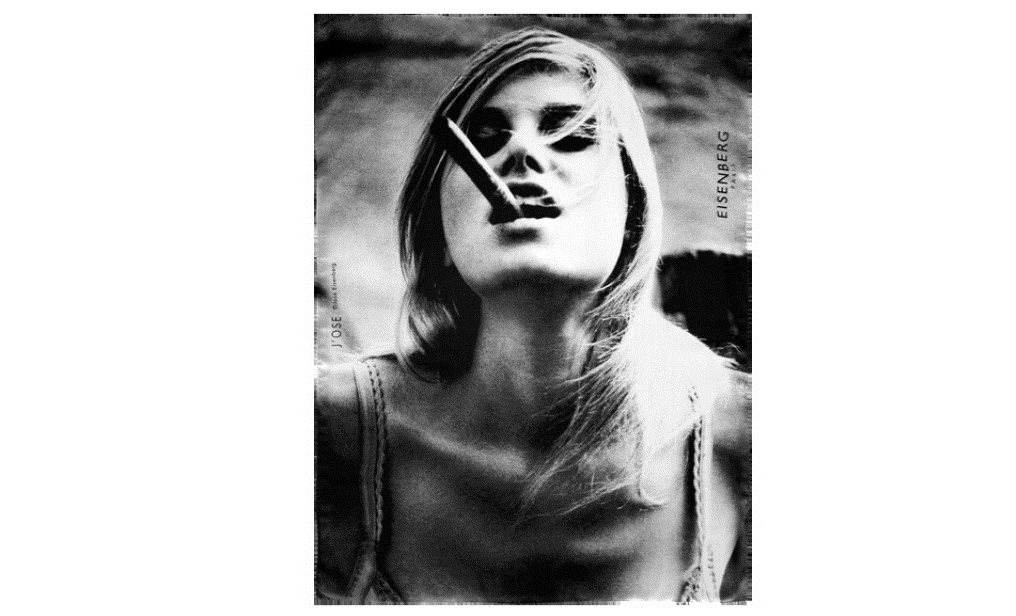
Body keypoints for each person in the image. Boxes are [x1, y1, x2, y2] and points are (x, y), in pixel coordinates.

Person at [315, 27, 751, 604]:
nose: (520, 152)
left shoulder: (742, 438)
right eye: (483, 138)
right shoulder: (327, 434)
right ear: (439, 227)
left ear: (633, 209)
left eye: (572, 136)